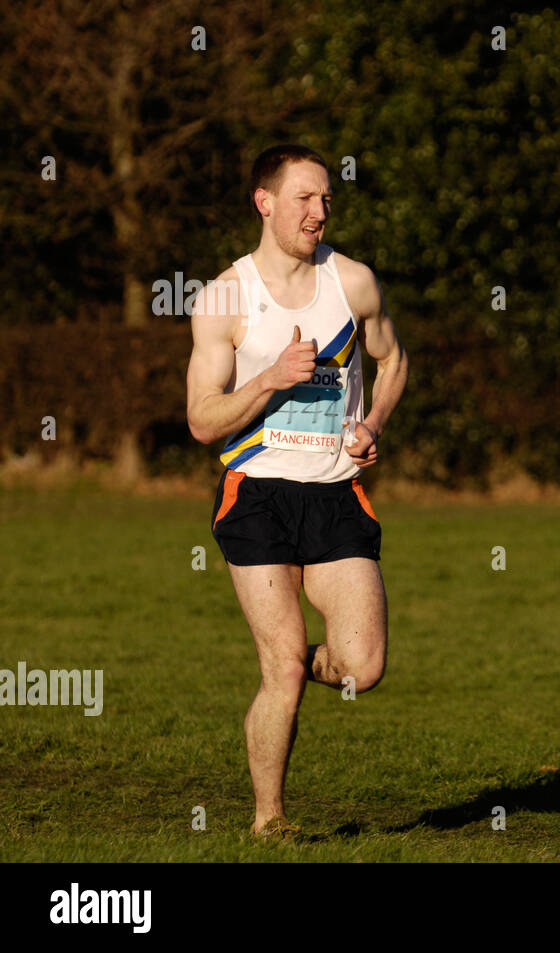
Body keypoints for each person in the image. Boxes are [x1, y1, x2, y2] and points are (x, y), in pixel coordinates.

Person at [185, 144, 408, 839]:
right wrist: (268, 380)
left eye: (327, 201)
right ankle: (268, 819)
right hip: (255, 493)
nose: (320, 211)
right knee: (279, 666)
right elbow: (200, 418)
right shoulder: (225, 297)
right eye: (306, 199)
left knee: (362, 666)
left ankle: (304, 660)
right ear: (266, 203)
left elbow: (393, 358)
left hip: (335, 495)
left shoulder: (353, 283)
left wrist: (371, 423)